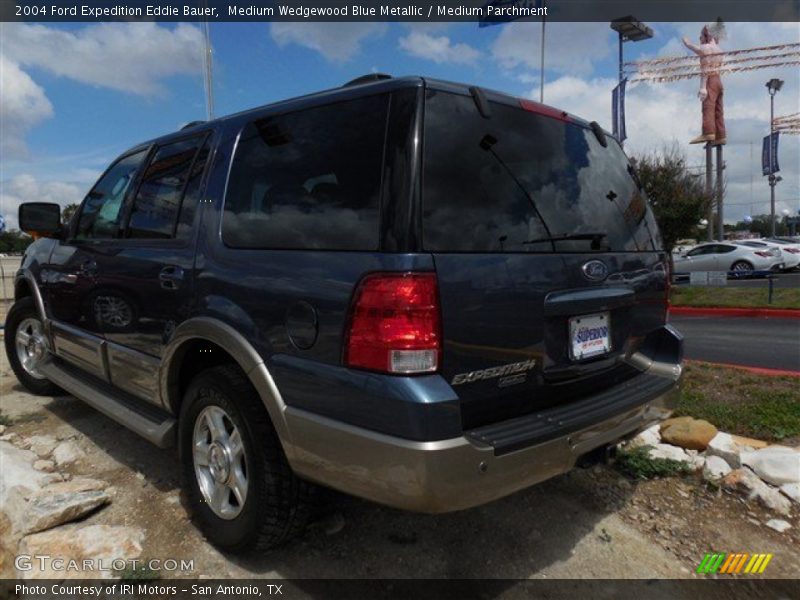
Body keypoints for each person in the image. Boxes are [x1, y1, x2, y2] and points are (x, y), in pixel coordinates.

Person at [683, 23, 726, 145]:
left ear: (706, 35)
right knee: (719, 109)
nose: (700, 38)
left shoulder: (706, 48)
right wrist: (689, 44)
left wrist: (703, 87)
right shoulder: (720, 50)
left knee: (708, 107)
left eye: (701, 35)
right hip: (719, 81)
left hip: (710, 80)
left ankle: (708, 132)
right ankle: (721, 135)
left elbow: (705, 68)